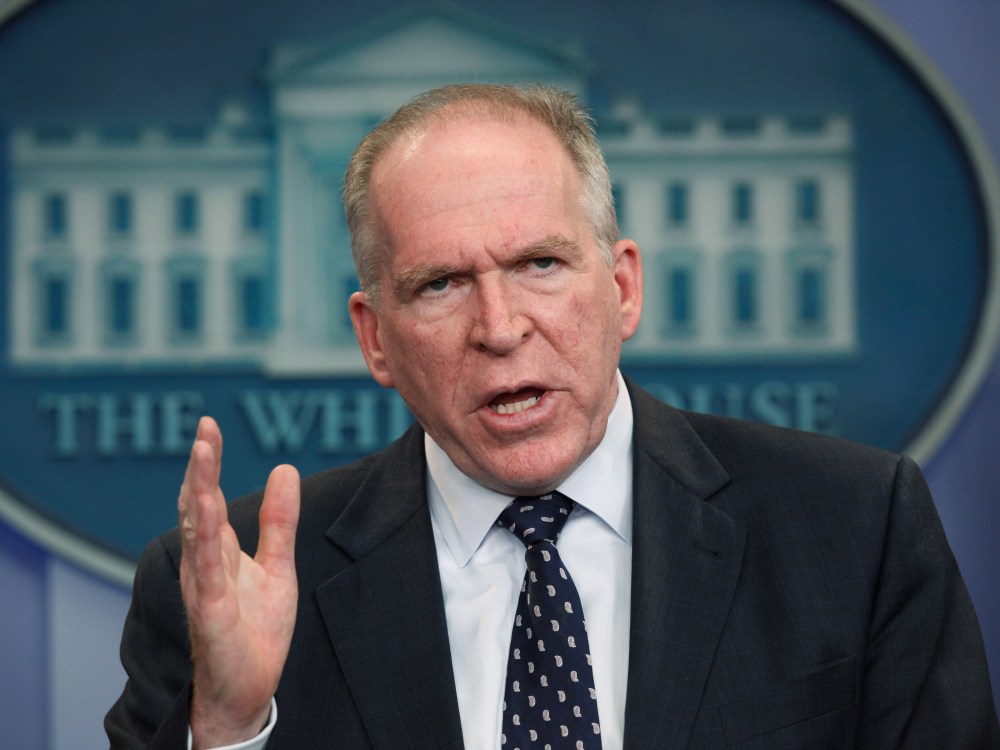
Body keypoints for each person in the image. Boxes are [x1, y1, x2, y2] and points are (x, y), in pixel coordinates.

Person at [106, 83, 999, 749]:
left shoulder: (853, 526)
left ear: (621, 287)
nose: (500, 328)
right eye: (441, 284)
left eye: (539, 263)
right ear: (375, 340)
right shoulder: (224, 586)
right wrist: (226, 728)